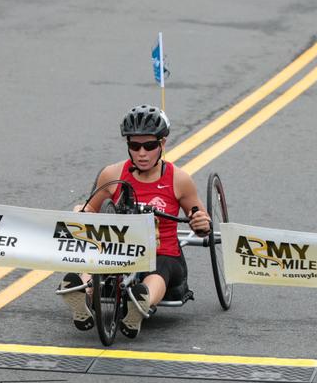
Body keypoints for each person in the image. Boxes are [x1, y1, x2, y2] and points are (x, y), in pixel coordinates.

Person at [59, 105, 212, 338]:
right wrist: (82, 211)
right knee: (101, 259)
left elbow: (201, 222)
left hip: (163, 253)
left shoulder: (179, 179)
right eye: (134, 146)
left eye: (149, 146)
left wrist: (201, 223)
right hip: (120, 250)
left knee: (160, 268)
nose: (142, 153)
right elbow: (90, 209)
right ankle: (80, 290)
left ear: (162, 144)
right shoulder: (112, 174)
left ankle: (140, 304)